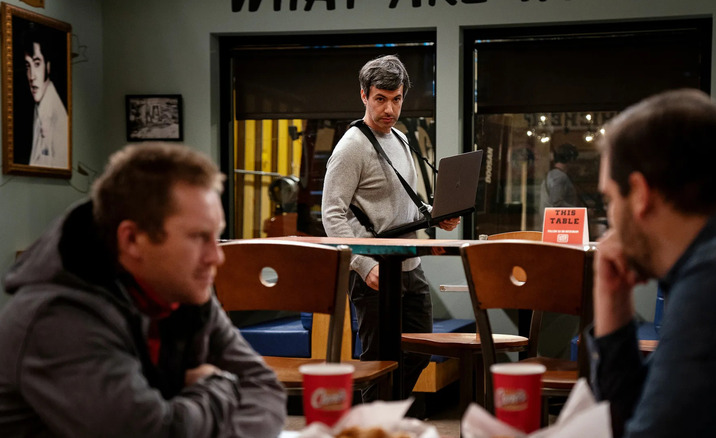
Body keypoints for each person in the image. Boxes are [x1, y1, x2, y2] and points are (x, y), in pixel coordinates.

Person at [0, 143, 286, 437]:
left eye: (216, 236)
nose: (217, 257)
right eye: (199, 237)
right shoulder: (57, 320)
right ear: (132, 239)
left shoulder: (180, 291)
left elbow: (263, 386)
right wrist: (218, 385)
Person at [587, 89, 716, 437]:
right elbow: (638, 418)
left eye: (610, 199)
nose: (611, 219)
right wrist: (612, 302)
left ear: (641, 194)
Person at [321, 55, 459, 406]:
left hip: (409, 266)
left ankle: (389, 418)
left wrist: (434, 215)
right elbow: (332, 215)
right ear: (364, 95)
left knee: (419, 351)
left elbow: (404, 202)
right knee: (378, 365)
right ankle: (373, 424)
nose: (389, 108)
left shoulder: (399, 137)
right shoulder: (352, 147)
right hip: (375, 272)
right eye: (381, 98)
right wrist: (364, 266)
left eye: (396, 99)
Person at [23, 26, 68, 168]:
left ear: (47, 66)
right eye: (27, 66)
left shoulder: (52, 111)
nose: (31, 76)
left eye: (37, 64)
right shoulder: (41, 106)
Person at [540, 142, 580, 214]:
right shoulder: (560, 176)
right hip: (558, 222)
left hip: (550, 221)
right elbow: (557, 203)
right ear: (571, 159)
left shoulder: (551, 175)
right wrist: (580, 212)